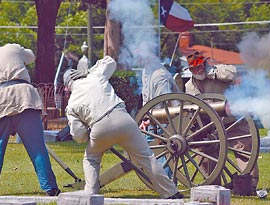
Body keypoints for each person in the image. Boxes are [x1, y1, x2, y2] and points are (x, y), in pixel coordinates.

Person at [63, 55, 183, 199]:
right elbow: (110, 61)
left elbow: (78, 135)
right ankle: (171, 192)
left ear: (67, 86)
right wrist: (90, 70)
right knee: (147, 158)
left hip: (99, 127)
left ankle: (91, 191)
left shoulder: (71, 104)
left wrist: (87, 135)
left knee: (91, 158)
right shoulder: (95, 76)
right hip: (123, 119)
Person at [0, 43, 60, 196]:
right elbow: (31, 57)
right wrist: (20, 51)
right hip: (24, 98)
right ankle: (51, 188)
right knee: (37, 147)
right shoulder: (12, 48)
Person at [184, 50, 259, 192]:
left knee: (243, 149)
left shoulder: (219, 71)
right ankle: (212, 183)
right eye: (194, 69)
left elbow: (233, 73)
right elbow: (192, 107)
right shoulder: (189, 86)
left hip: (232, 120)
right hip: (210, 125)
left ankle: (250, 183)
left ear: (205, 63)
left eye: (200, 66)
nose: (198, 70)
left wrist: (214, 73)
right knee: (204, 152)